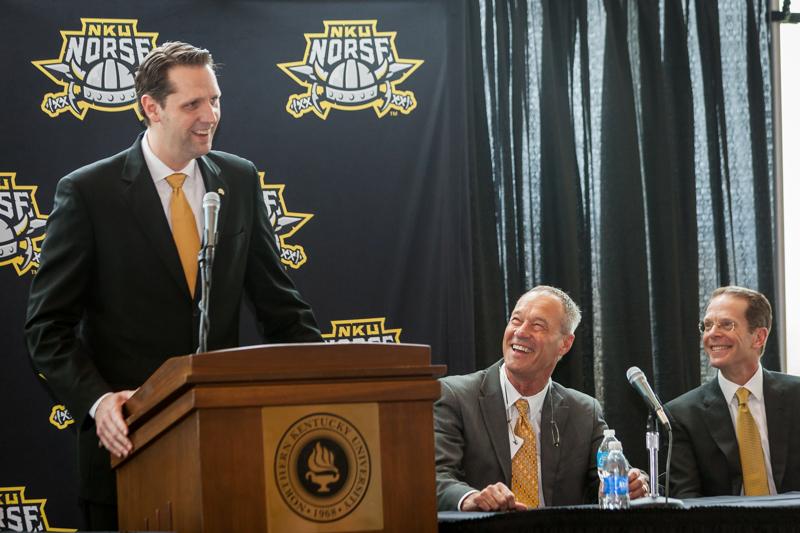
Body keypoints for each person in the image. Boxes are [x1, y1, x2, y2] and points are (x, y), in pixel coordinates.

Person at [24, 42, 321, 530]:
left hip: (224, 454)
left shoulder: (240, 180)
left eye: (216, 100)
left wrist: (335, 376)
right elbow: (46, 330)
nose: (211, 115)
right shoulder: (87, 193)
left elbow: (279, 305)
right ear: (150, 108)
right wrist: (100, 403)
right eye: (193, 104)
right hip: (128, 455)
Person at [434, 285, 648, 511]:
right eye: (516, 320)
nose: (521, 332)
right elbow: (435, 476)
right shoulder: (455, 396)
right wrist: (470, 498)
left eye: (537, 325)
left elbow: (610, 475)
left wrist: (633, 482)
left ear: (565, 344)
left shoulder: (584, 411)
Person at [666, 286, 800, 498]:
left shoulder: (796, 397)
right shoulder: (681, 415)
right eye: (707, 325)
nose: (712, 334)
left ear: (758, 337)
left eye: (726, 324)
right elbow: (688, 503)